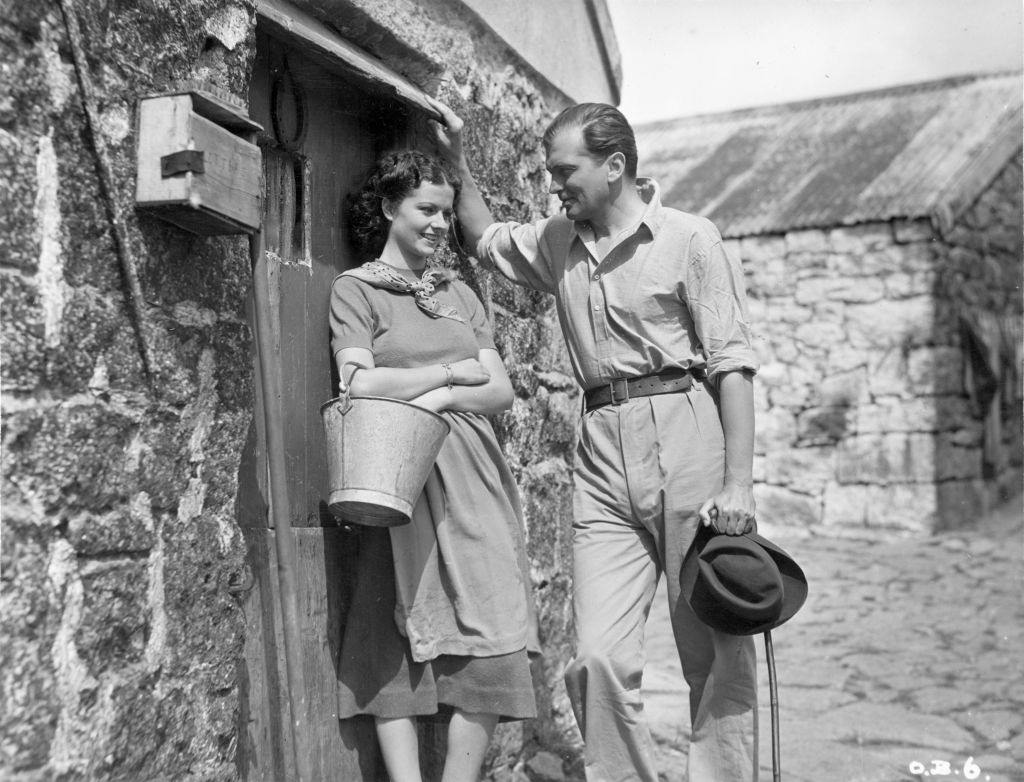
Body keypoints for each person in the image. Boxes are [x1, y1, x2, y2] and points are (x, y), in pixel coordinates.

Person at [429, 97, 761, 781]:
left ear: (615, 166)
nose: (553, 185)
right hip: (602, 455)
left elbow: (732, 367)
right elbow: (485, 239)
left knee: (715, 651)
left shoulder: (692, 239)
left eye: (563, 170)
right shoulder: (558, 241)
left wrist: (738, 484)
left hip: (686, 434)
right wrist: (457, 160)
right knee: (597, 657)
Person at [330, 150, 537, 782]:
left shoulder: (460, 296)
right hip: (398, 469)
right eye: (427, 210)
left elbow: (499, 390)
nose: (442, 225)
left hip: (475, 472)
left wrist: (439, 398)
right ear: (390, 208)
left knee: (494, 624)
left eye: (448, 213)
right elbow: (360, 384)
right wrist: (451, 373)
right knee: (394, 624)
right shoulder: (355, 290)